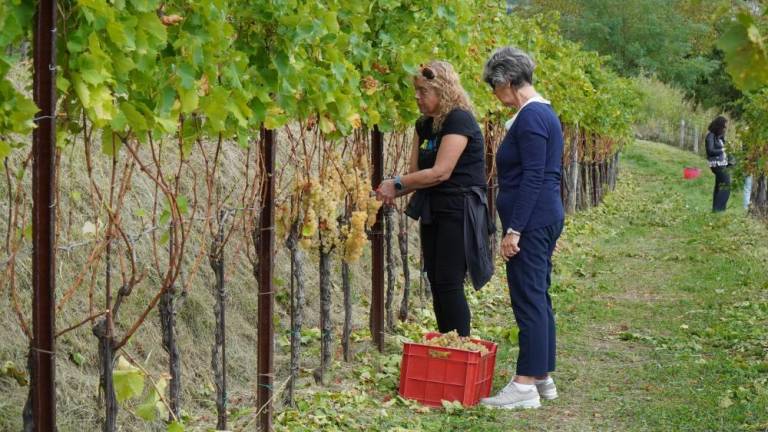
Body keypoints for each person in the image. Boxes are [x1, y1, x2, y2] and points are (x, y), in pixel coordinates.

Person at [375, 61, 493, 337]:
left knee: (449, 282)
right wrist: (386, 190)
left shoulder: (459, 119)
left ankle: (460, 346)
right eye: (415, 90)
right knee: (436, 281)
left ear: (443, 90)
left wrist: (397, 184)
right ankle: (448, 345)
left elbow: (441, 172)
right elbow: (417, 173)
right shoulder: (423, 126)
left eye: (423, 90)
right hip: (434, 210)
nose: (416, 96)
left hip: (460, 210)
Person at [479, 47, 564, 410]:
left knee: (528, 299)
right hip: (543, 217)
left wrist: (515, 229)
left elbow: (532, 178)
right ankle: (542, 376)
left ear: (508, 82)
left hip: (531, 220)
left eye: (495, 88)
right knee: (538, 296)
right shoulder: (544, 114)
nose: (495, 97)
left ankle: (525, 385)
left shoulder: (530, 119)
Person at [705, 116, 731, 212]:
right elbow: (710, 150)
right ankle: (719, 209)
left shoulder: (719, 137)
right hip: (717, 164)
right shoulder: (710, 136)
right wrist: (723, 150)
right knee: (726, 186)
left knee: (719, 185)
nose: (724, 129)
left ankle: (716, 209)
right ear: (718, 126)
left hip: (722, 163)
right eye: (723, 127)